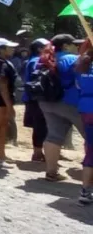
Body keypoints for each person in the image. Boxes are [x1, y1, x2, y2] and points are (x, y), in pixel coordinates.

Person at [39, 34, 86, 181]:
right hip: (71, 102)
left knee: (53, 136)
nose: (77, 47)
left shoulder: (44, 59)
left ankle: (51, 172)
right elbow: (83, 79)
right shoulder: (71, 59)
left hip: (47, 101)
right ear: (66, 46)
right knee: (90, 137)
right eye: (74, 44)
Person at [22, 39, 50, 162]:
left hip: (32, 98)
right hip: (36, 98)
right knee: (40, 126)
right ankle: (37, 153)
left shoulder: (32, 60)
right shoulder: (37, 61)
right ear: (40, 48)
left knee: (41, 126)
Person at [74, 40, 93, 205]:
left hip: (86, 109)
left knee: (91, 150)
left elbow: (79, 86)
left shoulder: (82, 67)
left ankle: (86, 190)